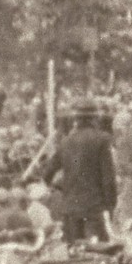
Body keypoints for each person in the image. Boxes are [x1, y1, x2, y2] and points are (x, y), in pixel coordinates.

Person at [41, 99, 117, 243]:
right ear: (95, 118)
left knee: (75, 255)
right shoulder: (102, 139)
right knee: (99, 254)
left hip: (70, 208)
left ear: (75, 119)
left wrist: (61, 189)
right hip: (95, 207)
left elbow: (46, 175)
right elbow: (108, 178)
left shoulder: (65, 142)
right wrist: (111, 205)